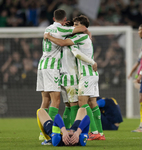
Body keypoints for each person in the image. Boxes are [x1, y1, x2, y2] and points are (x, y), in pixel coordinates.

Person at [44, 15, 105, 140]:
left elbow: (75, 52)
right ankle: (98, 132)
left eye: (74, 26)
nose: (72, 28)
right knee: (81, 103)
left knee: (78, 104)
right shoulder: (81, 37)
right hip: (75, 75)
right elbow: (87, 33)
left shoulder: (76, 39)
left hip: (77, 75)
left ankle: (91, 131)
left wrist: (49, 36)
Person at [36, 9, 89, 140]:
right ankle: (51, 132)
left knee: (45, 101)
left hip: (42, 65)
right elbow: (83, 28)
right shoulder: (62, 30)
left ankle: (42, 132)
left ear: (53, 19)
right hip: (52, 67)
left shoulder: (47, 28)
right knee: (56, 100)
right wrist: (72, 26)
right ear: (64, 20)